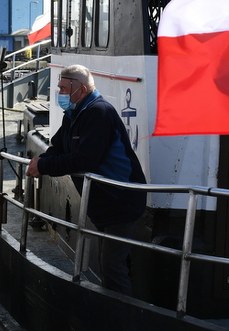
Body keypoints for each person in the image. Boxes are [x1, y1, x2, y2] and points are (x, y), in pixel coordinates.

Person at [26, 64, 147, 295]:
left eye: (63, 88)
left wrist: (44, 166)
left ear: (79, 89)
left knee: (112, 267)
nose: (59, 93)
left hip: (121, 199)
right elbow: (58, 146)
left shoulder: (98, 112)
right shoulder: (74, 114)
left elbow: (85, 159)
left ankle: (121, 323)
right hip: (104, 203)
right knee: (113, 263)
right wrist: (41, 161)